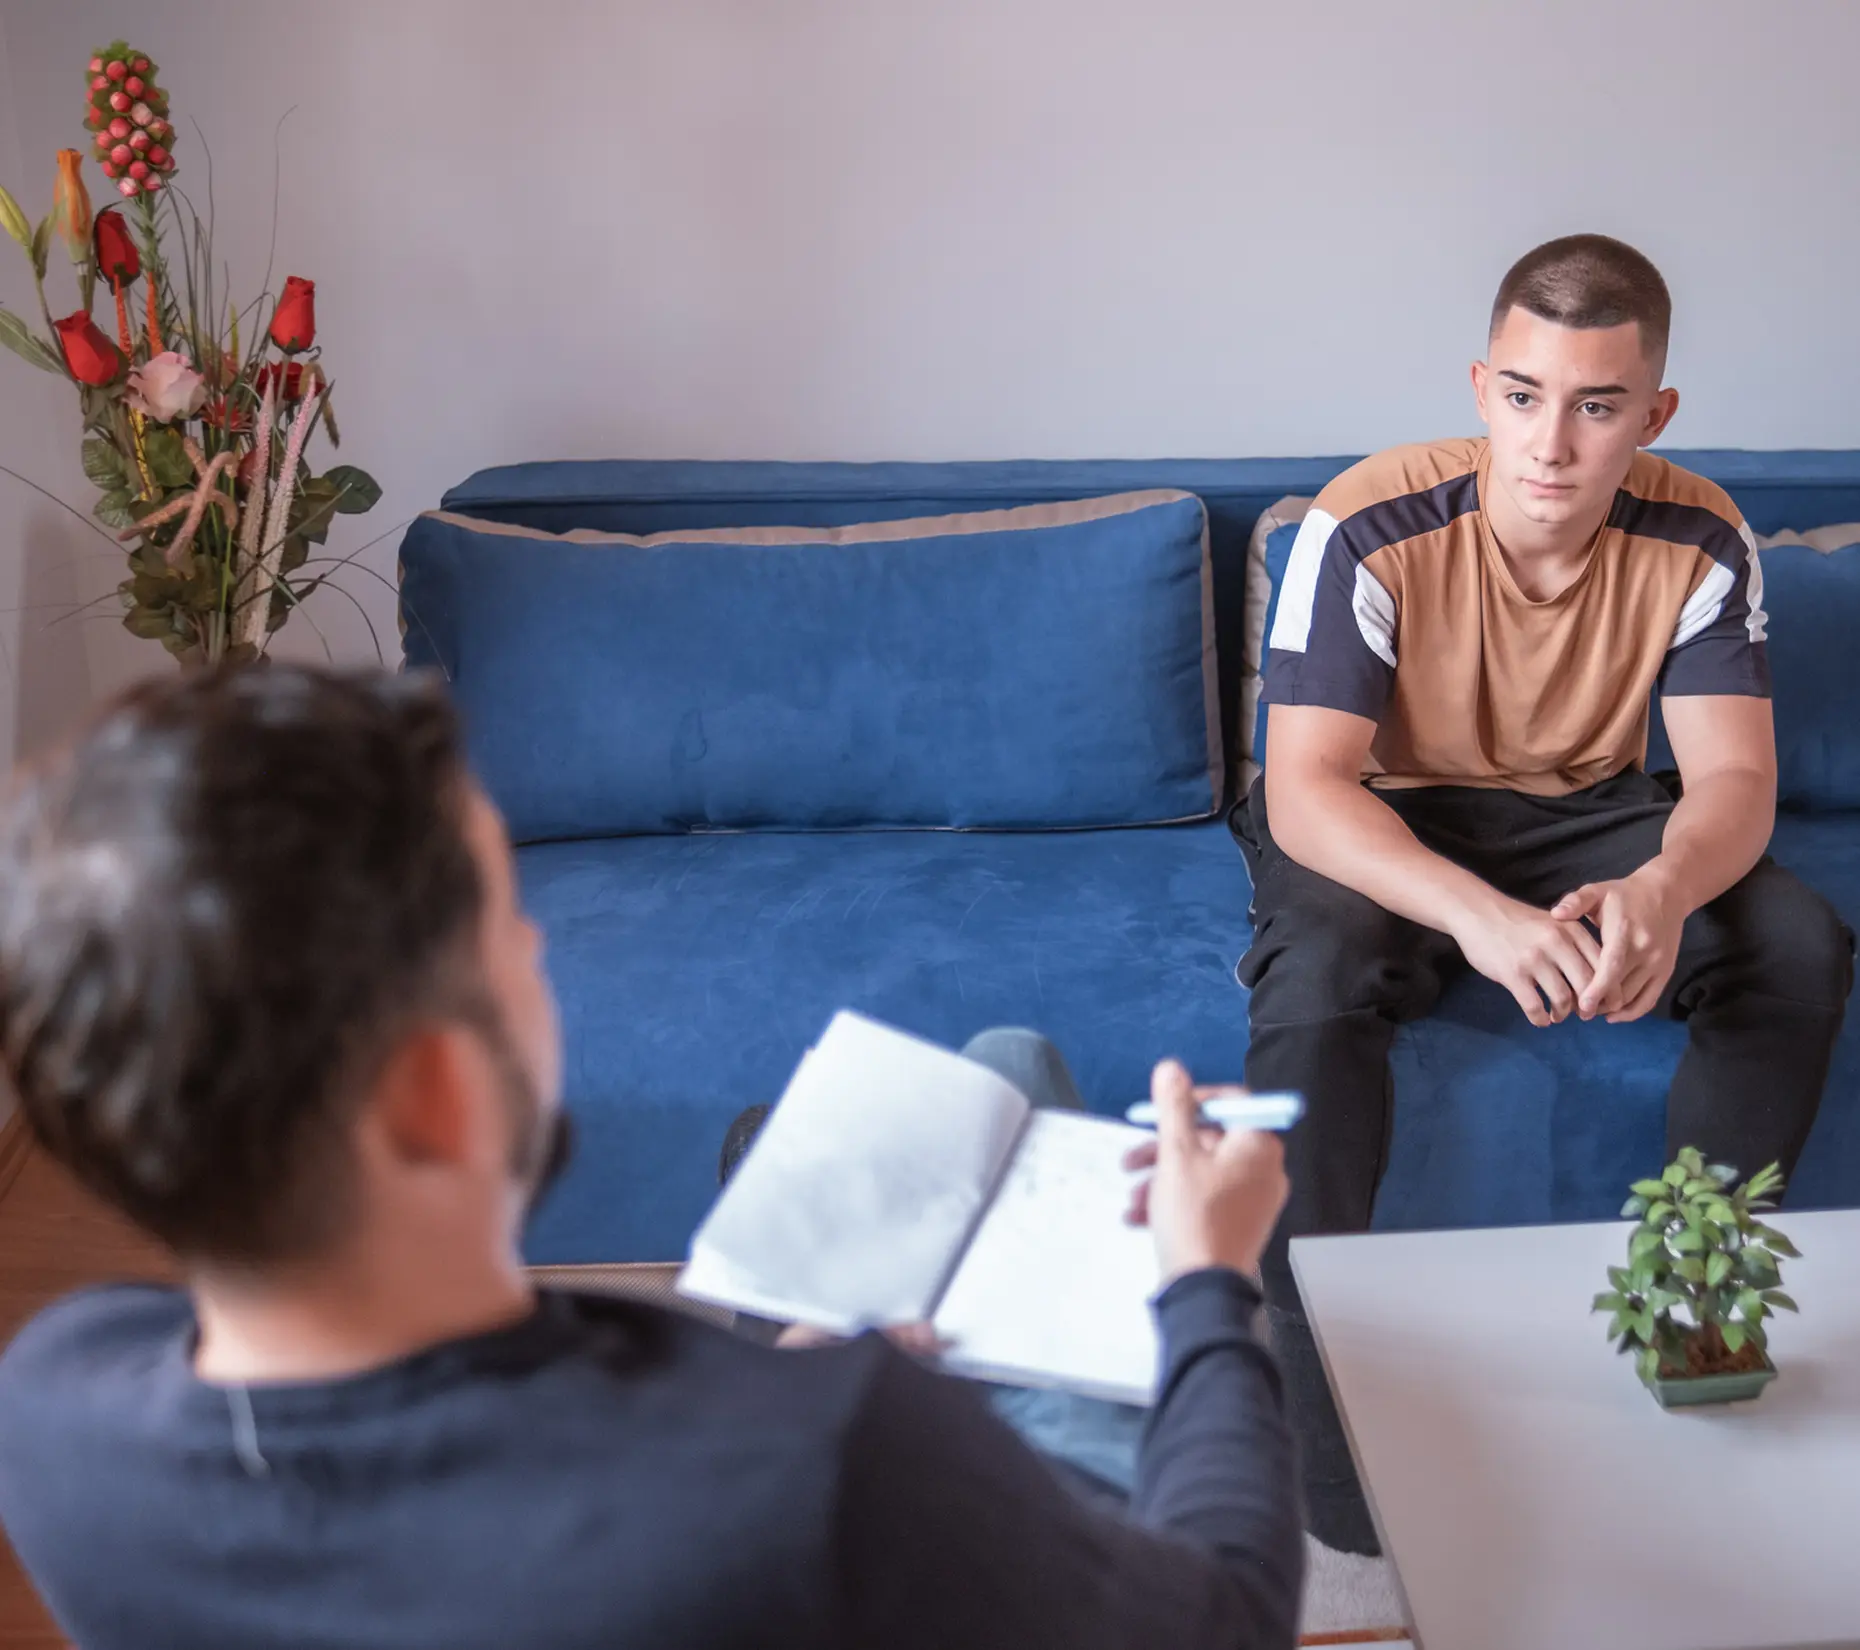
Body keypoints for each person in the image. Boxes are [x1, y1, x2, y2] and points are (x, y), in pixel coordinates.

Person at [0, 664, 1305, 1650]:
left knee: (1007, 1064)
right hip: (950, 1538)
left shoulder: (52, 1422)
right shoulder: (831, 1461)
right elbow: (1231, 1617)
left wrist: (771, 1381)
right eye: (512, 929)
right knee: (1029, 1103)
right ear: (433, 1093)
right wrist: (1208, 1281)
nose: (541, 951)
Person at [1240, 232, 1855, 1554]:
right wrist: (1479, 915)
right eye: (1523, 396)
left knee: (1798, 943)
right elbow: (1304, 792)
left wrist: (1663, 888)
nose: (1552, 445)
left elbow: (1734, 779)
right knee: (1322, 974)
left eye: (1597, 405)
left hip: (1591, 808)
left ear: (1655, 414)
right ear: (1481, 387)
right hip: (1386, 809)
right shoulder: (1365, 524)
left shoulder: (1704, 534)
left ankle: (1694, 1318)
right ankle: (1315, 1404)